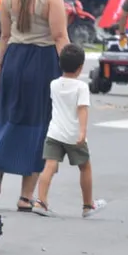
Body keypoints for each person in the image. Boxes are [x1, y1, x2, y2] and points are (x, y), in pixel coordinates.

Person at [0, 0, 69, 212]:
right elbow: (59, 37)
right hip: (42, 63)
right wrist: (70, 73)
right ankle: (25, 195)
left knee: (6, 119)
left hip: (14, 59)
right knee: (37, 126)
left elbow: (5, 35)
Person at [33, 44, 107, 218]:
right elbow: (82, 110)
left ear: (60, 64)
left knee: (49, 166)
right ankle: (88, 205)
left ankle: (41, 201)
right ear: (81, 67)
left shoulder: (54, 84)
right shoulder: (81, 87)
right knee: (85, 167)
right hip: (73, 135)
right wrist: (82, 132)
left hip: (55, 133)